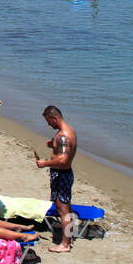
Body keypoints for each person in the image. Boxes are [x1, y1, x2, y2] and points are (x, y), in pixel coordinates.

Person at [34, 105, 77, 252]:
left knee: (62, 209)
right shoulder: (69, 132)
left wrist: (45, 163)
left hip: (61, 175)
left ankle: (65, 244)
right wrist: (53, 145)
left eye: (48, 121)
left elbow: (63, 160)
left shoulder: (63, 136)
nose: (48, 124)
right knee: (67, 207)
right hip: (66, 174)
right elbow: (63, 153)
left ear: (55, 118)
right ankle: (70, 235)